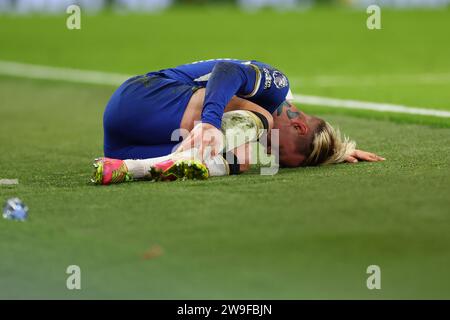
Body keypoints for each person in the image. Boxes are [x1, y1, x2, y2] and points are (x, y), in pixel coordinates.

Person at [92, 58, 384, 185]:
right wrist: (209, 121)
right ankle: (163, 160)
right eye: (278, 152)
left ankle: (134, 168)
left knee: (240, 160)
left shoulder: (246, 129)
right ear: (299, 126)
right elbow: (227, 70)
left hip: (121, 144)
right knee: (262, 120)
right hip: (142, 96)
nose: (269, 154)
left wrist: (334, 149)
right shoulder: (278, 86)